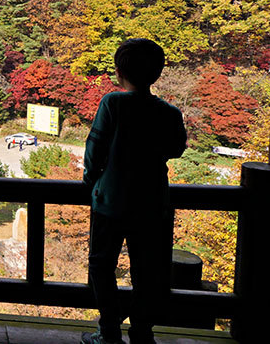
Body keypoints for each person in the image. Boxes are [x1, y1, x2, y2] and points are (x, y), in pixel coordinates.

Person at [81, 38, 187, 344]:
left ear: (118, 72)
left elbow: (95, 147)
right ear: (157, 73)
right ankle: (142, 332)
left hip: (110, 201)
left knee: (102, 265)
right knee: (148, 270)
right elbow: (177, 149)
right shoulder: (168, 112)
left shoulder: (112, 103)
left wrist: (91, 180)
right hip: (153, 203)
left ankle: (109, 330)